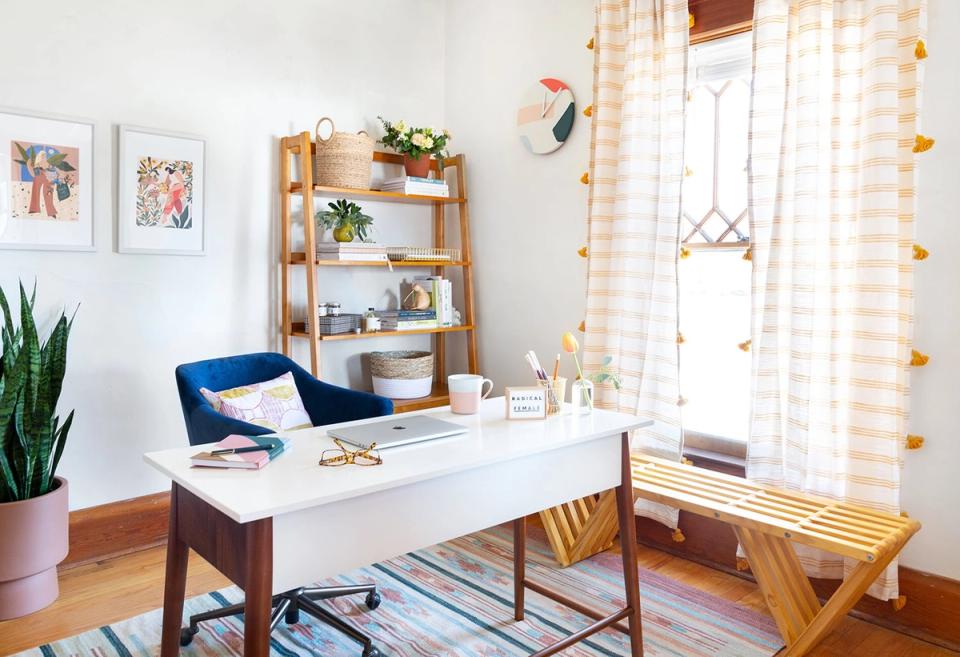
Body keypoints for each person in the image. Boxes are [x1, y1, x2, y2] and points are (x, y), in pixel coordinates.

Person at [27, 149, 58, 218]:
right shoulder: (37, 163)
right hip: (39, 175)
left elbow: (52, 170)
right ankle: (34, 208)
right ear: (40, 156)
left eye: (44, 155)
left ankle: (51, 211)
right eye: (42, 155)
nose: (44, 156)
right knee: (35, 190)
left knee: (48, 193)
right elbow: (35, 172)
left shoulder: (47, 163)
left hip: (47, 176)